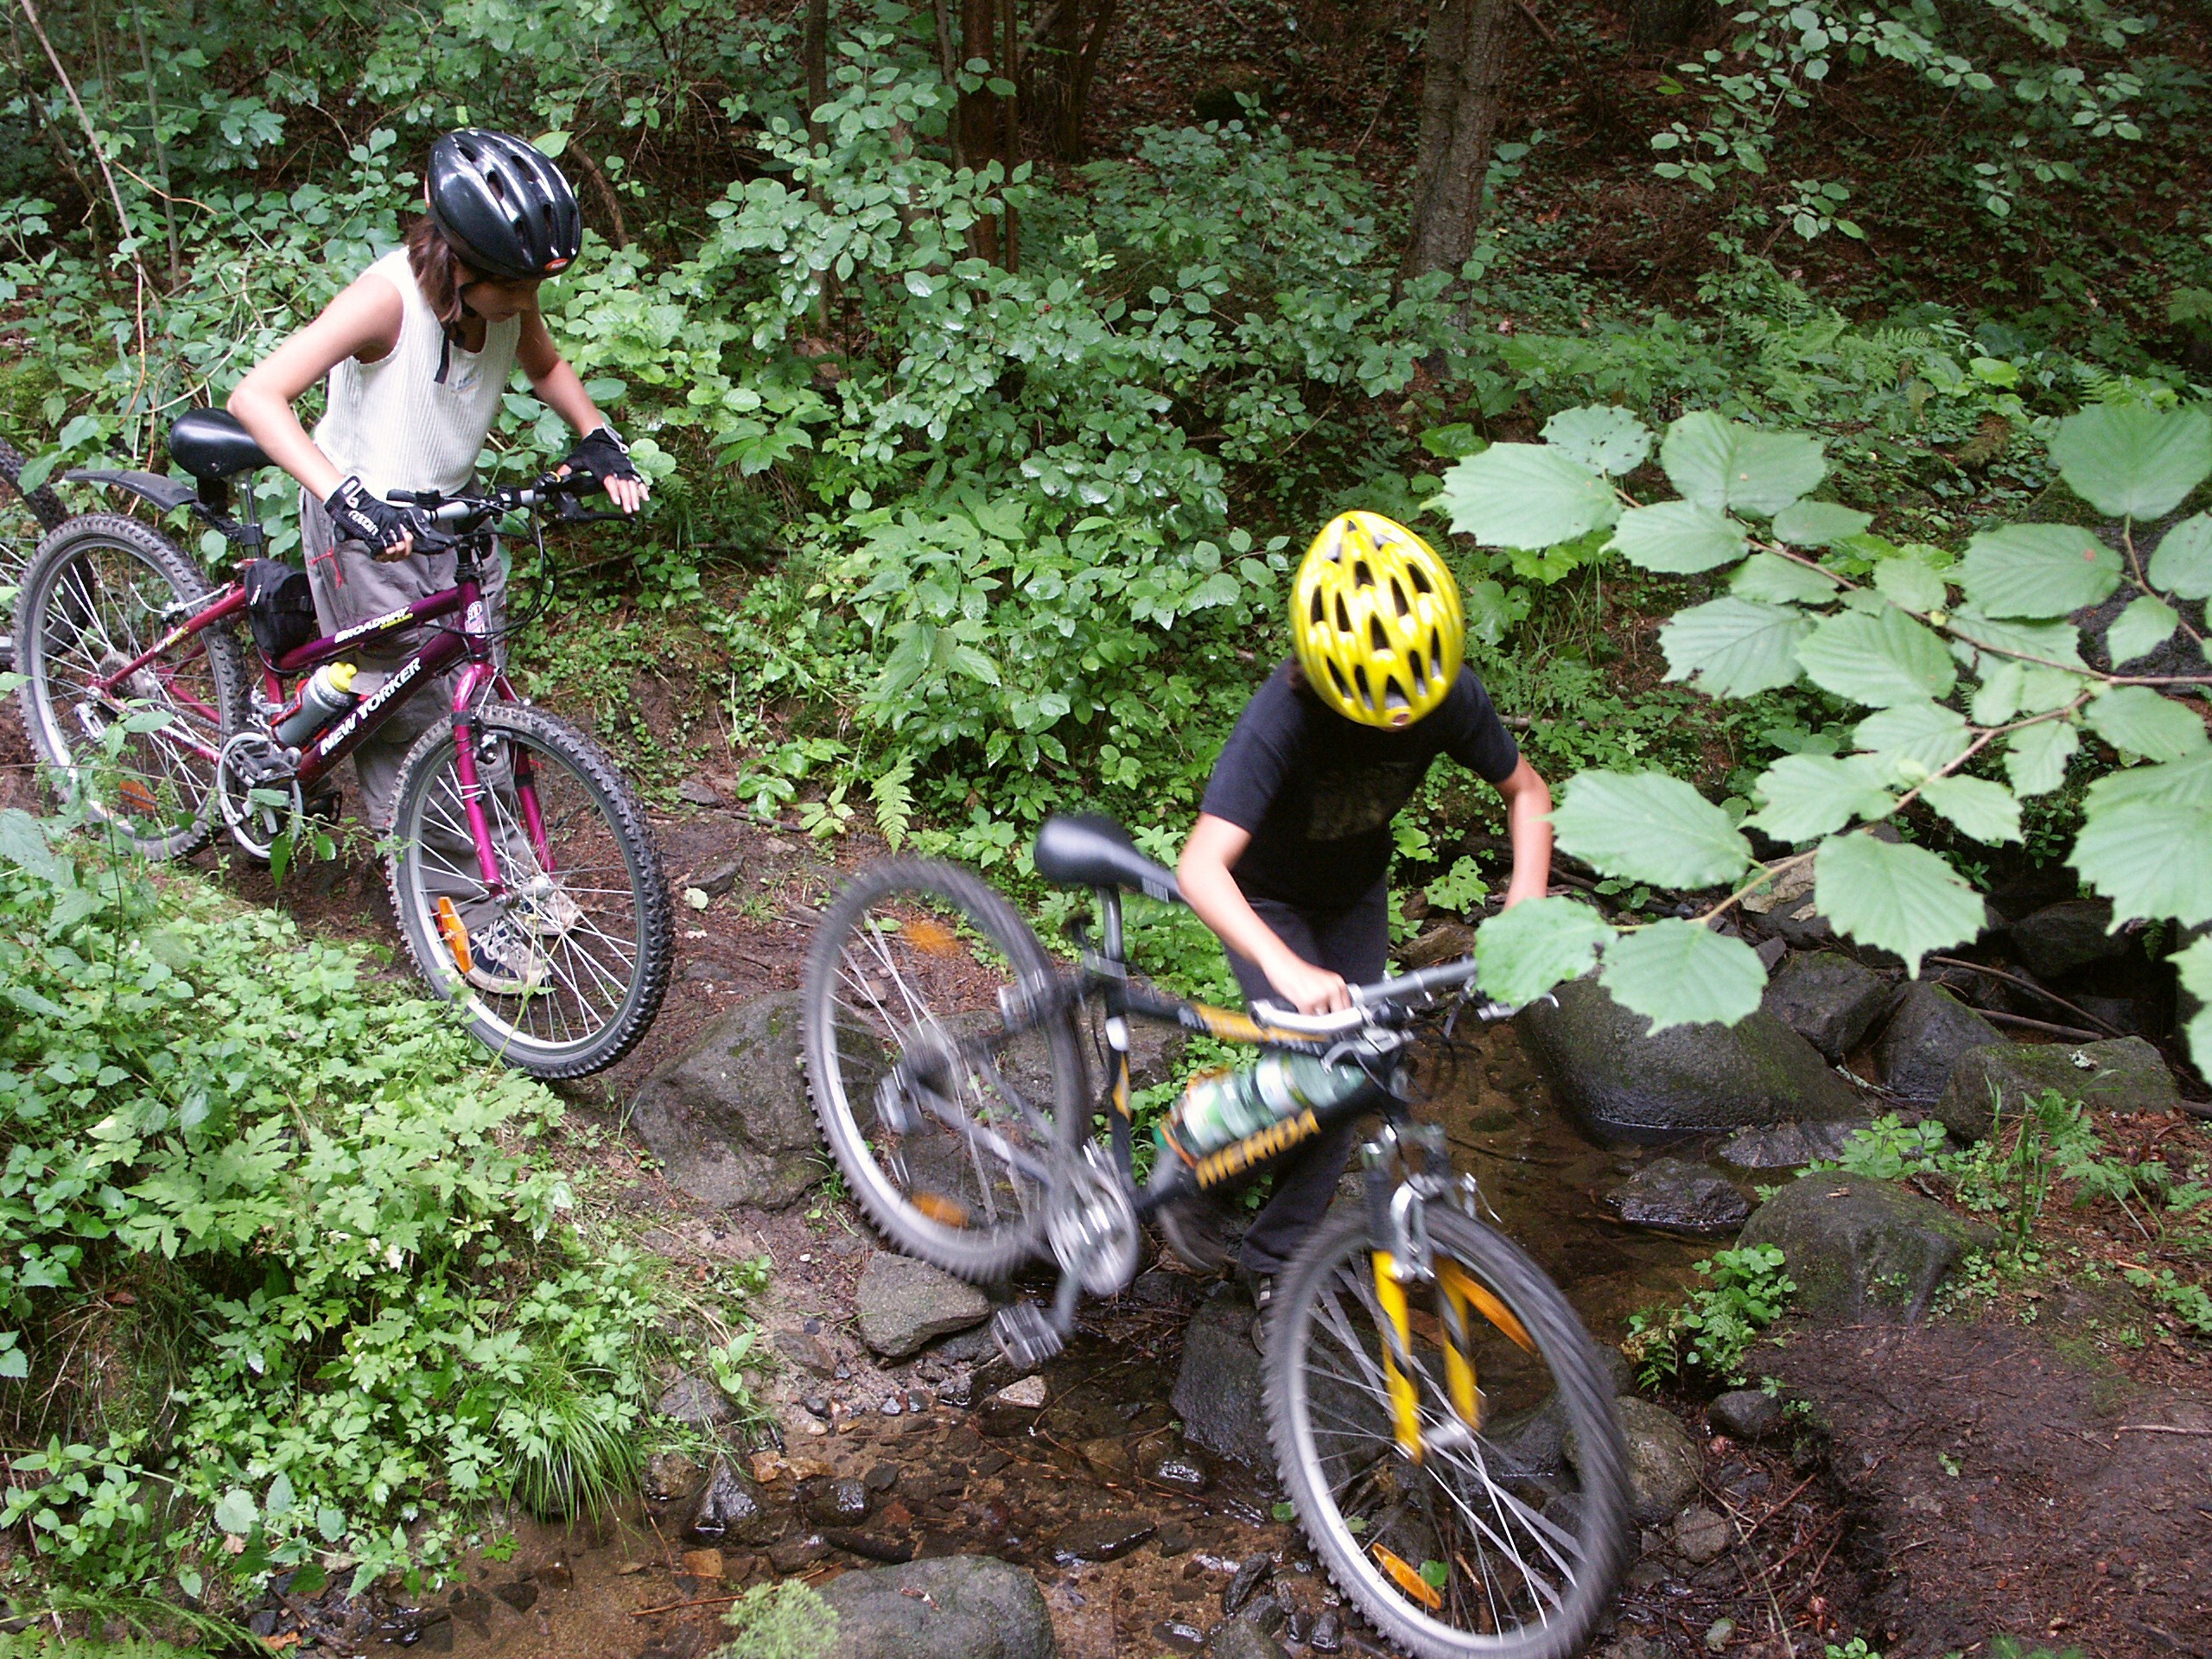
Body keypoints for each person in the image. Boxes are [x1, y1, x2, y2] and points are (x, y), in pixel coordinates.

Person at [228, 130, 648, 992]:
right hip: (366, 523)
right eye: (515, 288)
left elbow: (546, 365)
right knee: (407, 719)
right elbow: (257, 397)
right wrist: (344, 495)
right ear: (460, 263)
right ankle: (458, 911)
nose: (526, 304)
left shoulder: (505, 294)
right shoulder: (387, 301)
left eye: (533, 289)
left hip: (450, 517)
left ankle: (509, 873)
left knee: (475, 700)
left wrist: (595, 434)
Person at [1167, 510, 1554, 1306]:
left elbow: (1528, 793)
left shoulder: (1445, 691)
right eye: (1380, 699)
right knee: (1322, 1069)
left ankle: (1267, 1243)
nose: (1404, 714)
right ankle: (1210, 1174)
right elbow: (1201, 867)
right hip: (1266, 899)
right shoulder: (1282, 717)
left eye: (1415, 693)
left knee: (1358, 1070)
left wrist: (1525, 910)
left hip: (1353, 894)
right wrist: (1285, 966)